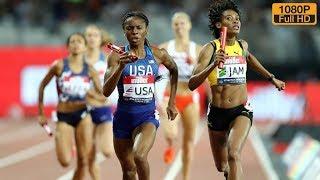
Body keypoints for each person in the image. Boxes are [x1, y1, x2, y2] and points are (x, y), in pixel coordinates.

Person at [188, 1, 286, 179]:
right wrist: (212, 65)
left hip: (241, 110)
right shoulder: (210, 49)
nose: (235, 21)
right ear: (219, 25)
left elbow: (250, 59)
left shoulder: (242, 46)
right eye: (229, 18)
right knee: (222, 165)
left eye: (237, 18)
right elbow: (192, 83)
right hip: (217, 113)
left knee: (233, 153)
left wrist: (272, 78)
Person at [103, 11, 178, 180]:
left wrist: (171, 102)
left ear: (146, 31)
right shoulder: (116, 56)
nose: (135, 31)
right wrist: (121, 67)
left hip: (147, 116)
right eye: (130, 28)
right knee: (129, 171)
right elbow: (106, 91)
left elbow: (174, 69)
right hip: (123, 118)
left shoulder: (158, 54)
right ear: (124, 31)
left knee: (139, 156)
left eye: (139, 28)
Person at [38, 32, 101, 180]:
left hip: (83, 115)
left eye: (79, 41)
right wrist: (41, 113)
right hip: (64, 116)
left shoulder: (90, 69)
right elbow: (42, 86)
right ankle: (62, 140)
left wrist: (94, 96)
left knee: (84, 160)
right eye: (72, 42)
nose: (76, 44)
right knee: (65, 161)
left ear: (85, 47)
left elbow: (103, 93)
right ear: (68, 46)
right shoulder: (59, 66)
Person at [158, 12, 202, 180]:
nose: (180, 27)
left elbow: (205, 75)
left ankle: (185, 177)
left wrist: (196, 66)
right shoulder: (165, 48)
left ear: (189, 25)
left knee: (188, 142)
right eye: (176, 24)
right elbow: (153, 71)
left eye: (183, 23)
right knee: (171, 134)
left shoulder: (197, 50)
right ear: (172, 26)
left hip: (190, 98)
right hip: (171, 96)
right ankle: (169, 144)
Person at [84, 25, 115, 180]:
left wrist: (104, 95)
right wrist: (94, 95)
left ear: (100, 39)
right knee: (89, 153)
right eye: (88, 35)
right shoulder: (80, 59)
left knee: (108, 151)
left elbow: (112, 81)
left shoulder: (107, 58)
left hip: (103, 107)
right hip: (86, 108)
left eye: (95, 35)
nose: (91, 38)